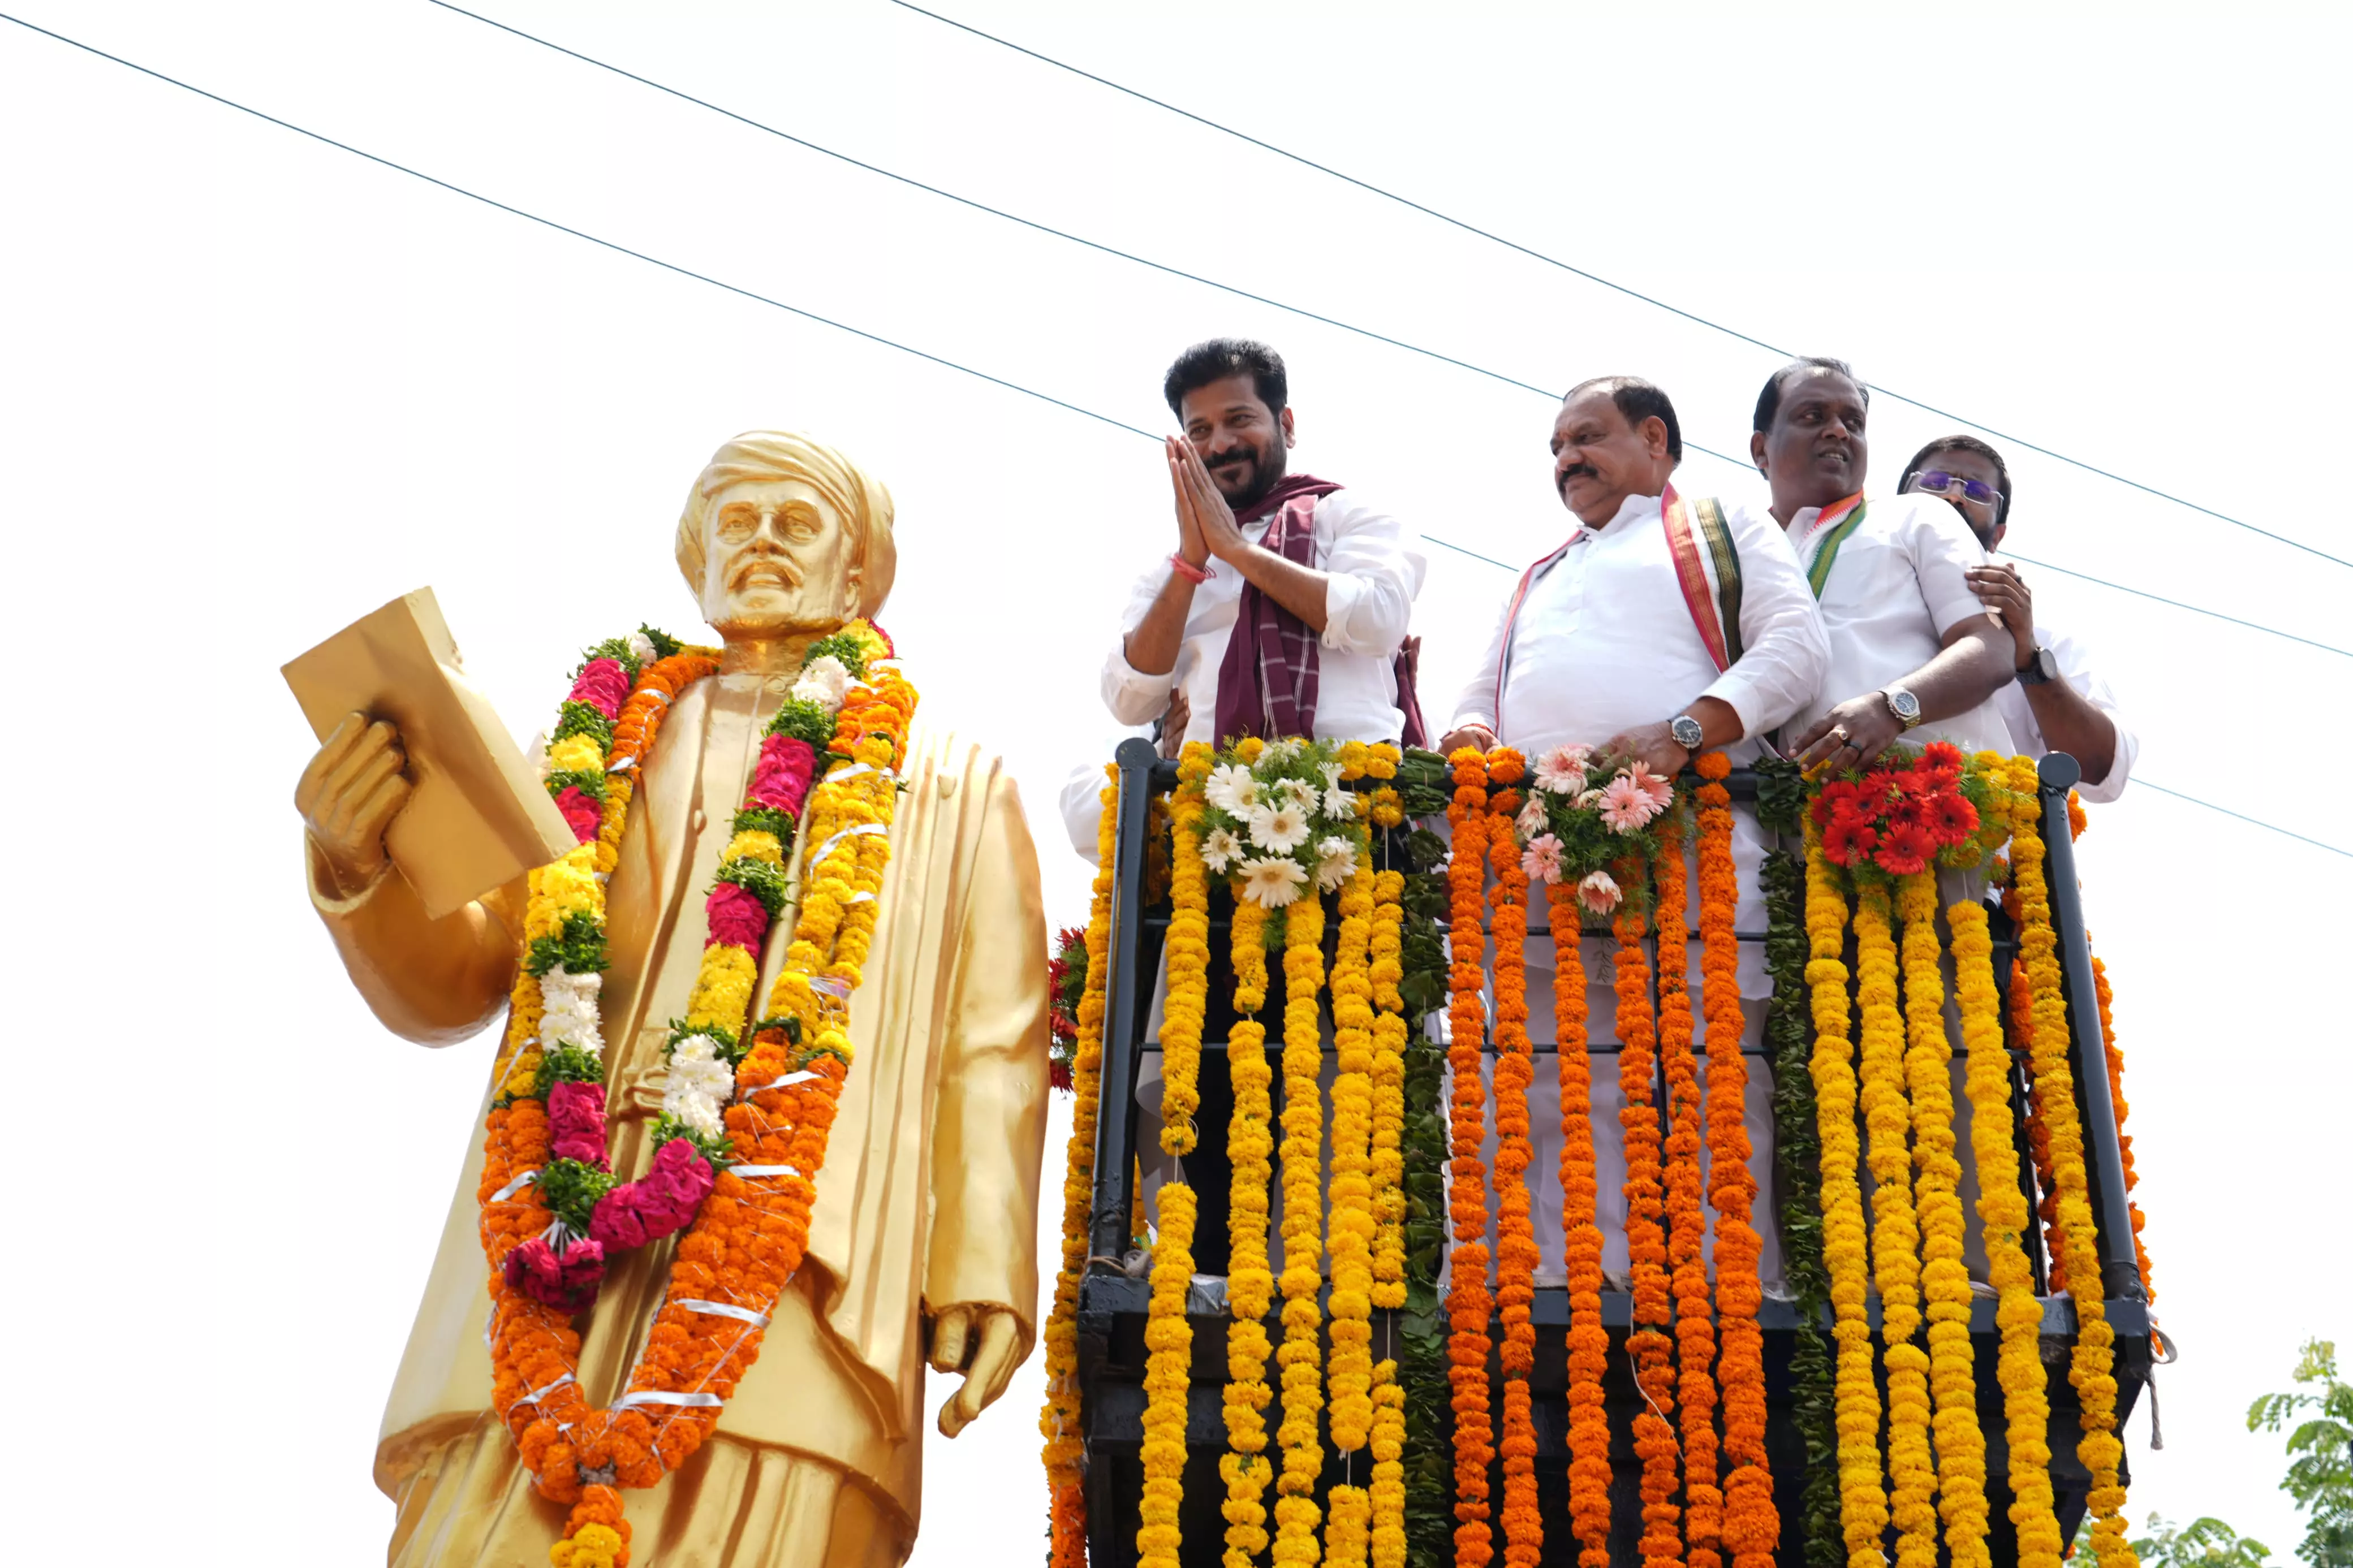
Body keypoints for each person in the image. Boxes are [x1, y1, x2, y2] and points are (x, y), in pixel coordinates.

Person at [299, 431, 1050, 1567]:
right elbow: (456, 981)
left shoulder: (947, 779)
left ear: (859, 573)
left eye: (794, 524)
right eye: (732, 521)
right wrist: (360, 870)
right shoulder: (583, 753)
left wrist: (984, 1264)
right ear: (693, 559)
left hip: (798, 1253)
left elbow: (990, 1042)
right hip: (548, 1240)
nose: (757, 542)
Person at [1443, 375, 1830, 1290]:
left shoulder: (1716, 524)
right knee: (1544, 1076)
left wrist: (1683, 729)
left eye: (1586, 437)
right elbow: (1478, 695)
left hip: (1695, 854)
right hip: (1539, 860)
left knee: (1709, 1076)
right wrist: (1466, 737)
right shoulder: (1541, 571)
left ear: (1655, 440)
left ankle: (1721, 1296)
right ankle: (1564, 1292)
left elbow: (1795, 648)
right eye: (1555, 449)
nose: (1567, 459)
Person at [1101, 337, 1426, 748]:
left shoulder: (1347, 515)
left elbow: (1377, 620)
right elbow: (1129, 701)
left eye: (1238, 419)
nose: (1220, 444)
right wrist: (1191, 564)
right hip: (1211, 803)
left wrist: (1240, 552)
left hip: (1354, 793)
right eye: (1199, 430)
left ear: (1286, 426)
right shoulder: (1170, 572)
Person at [1751, 359, 2018, 772]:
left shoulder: (1918, 517)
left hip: (1935, 810)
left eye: (1854, 422)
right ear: (1759, 449)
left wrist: (1892, 708)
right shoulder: (1737, 555)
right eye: (1813, 416)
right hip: (1783, 820)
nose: (1839, 430)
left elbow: (1991, 646)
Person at [1898, 434, 2136, 800]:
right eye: (1935, 483)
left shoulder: (2040, 634)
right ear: (1894, 506)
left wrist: (2027, 655)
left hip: (1977, 843)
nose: (1954, 496)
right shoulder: (1839, 583)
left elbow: (2104, 772)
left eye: (1977, 492)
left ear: (1997, 535)